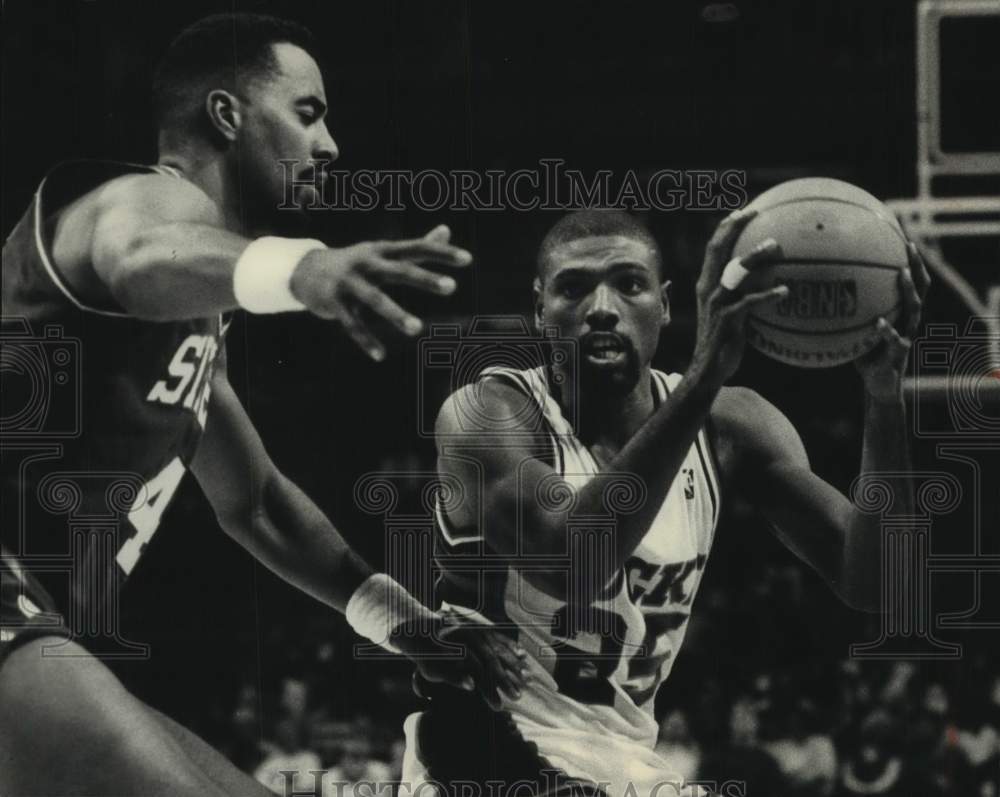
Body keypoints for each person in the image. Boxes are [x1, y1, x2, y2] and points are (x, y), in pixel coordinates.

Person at [0, 13, 524, 797]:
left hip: (41, 622)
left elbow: (260, 504)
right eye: (307, 113)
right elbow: (136, 255)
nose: (331, 145)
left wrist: (404, 621)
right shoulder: (138, 199)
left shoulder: (195, 325)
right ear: (226, 115)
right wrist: (304, 271)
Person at [403, 209, 929, 797]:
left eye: (629, 284)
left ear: (667, 304)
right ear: (538, 308)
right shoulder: (488, 415)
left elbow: (878, 582)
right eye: (573, 287)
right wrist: (704, 377)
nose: (602, 307)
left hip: (628, 765)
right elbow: (571, 563)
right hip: (490, 762)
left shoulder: (733, 426)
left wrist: (885, 401)